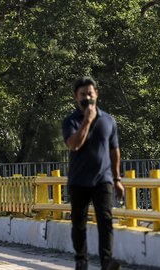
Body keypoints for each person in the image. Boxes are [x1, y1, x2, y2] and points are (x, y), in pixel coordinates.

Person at [62, 76, 124, 270]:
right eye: (82, 94)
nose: (87, 97)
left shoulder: (109, 120)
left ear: (96, 93)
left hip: (102, 179)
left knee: (105, 219)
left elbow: (114, 150)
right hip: (79, 180)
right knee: (78, 223)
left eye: (90, 93)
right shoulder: (70, 121)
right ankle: (81, 260)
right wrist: (87, 121)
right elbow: (74, 145)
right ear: (76, 97)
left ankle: (106, 260)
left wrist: (117, 178)